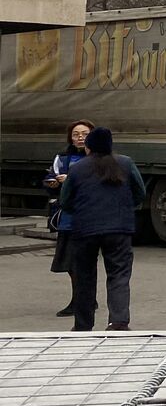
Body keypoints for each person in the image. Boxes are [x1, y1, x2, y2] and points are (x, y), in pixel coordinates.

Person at [59, 127, 146, 332]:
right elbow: (140, 192)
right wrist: (125, 207)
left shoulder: (78, 168)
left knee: (85, 277)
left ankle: (83, 325)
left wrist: (80, 211)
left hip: (84, 229)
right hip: (119, 229)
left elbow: (65, 200)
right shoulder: (125, 163)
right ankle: (118, 322)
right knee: (119, 274)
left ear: (88, 146)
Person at [44, 119, 95, 318]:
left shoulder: (97, 159)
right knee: (69, 263)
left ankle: (81, 300)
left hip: (87, 218)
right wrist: (51, 183)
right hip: (66, 218)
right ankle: (85, 297)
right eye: (76, 134)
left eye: (84, 133)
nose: (80, 137)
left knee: (81, 262)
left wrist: (72, 180)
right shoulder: (63, 157)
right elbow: (50, 177)